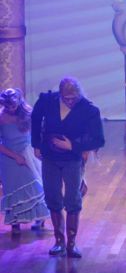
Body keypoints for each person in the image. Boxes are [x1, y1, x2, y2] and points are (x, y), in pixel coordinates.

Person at [31, 77, 105, 258]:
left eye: (73, 98)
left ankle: (71, 243)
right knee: (52, 196)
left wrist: (73, 146)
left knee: (73, 198)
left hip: (72, 158)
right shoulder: (47, 101)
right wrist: (36, 145)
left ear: (79, 94)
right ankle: (59, 241)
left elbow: (98, 139)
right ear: (60, 94)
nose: (70, 102)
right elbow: (35, 118)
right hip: (50, 156)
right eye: (66, 98)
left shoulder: (88, 109)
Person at [0, 88, 49, 234]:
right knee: (13, 188)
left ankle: (39, 217)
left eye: (13, 106)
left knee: (35, 183)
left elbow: (38, 132)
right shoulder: (1, 117)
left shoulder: (28, 112)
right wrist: (15, 156)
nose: (11, 109)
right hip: (9, 156)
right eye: (7, 106)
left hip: (28, 152)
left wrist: (39, 150)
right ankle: (15, 222)